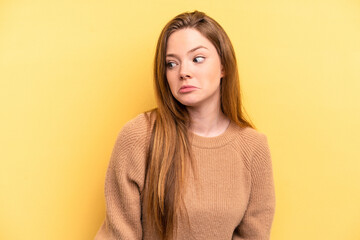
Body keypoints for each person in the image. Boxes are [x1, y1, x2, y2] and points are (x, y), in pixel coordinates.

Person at [95, 10, 275, 240]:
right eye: (171, 64)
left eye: (197, 59)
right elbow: (119, 235)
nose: (183, 72)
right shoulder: (139, 135)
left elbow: (254, 236)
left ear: (223, 66)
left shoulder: (253, 147)